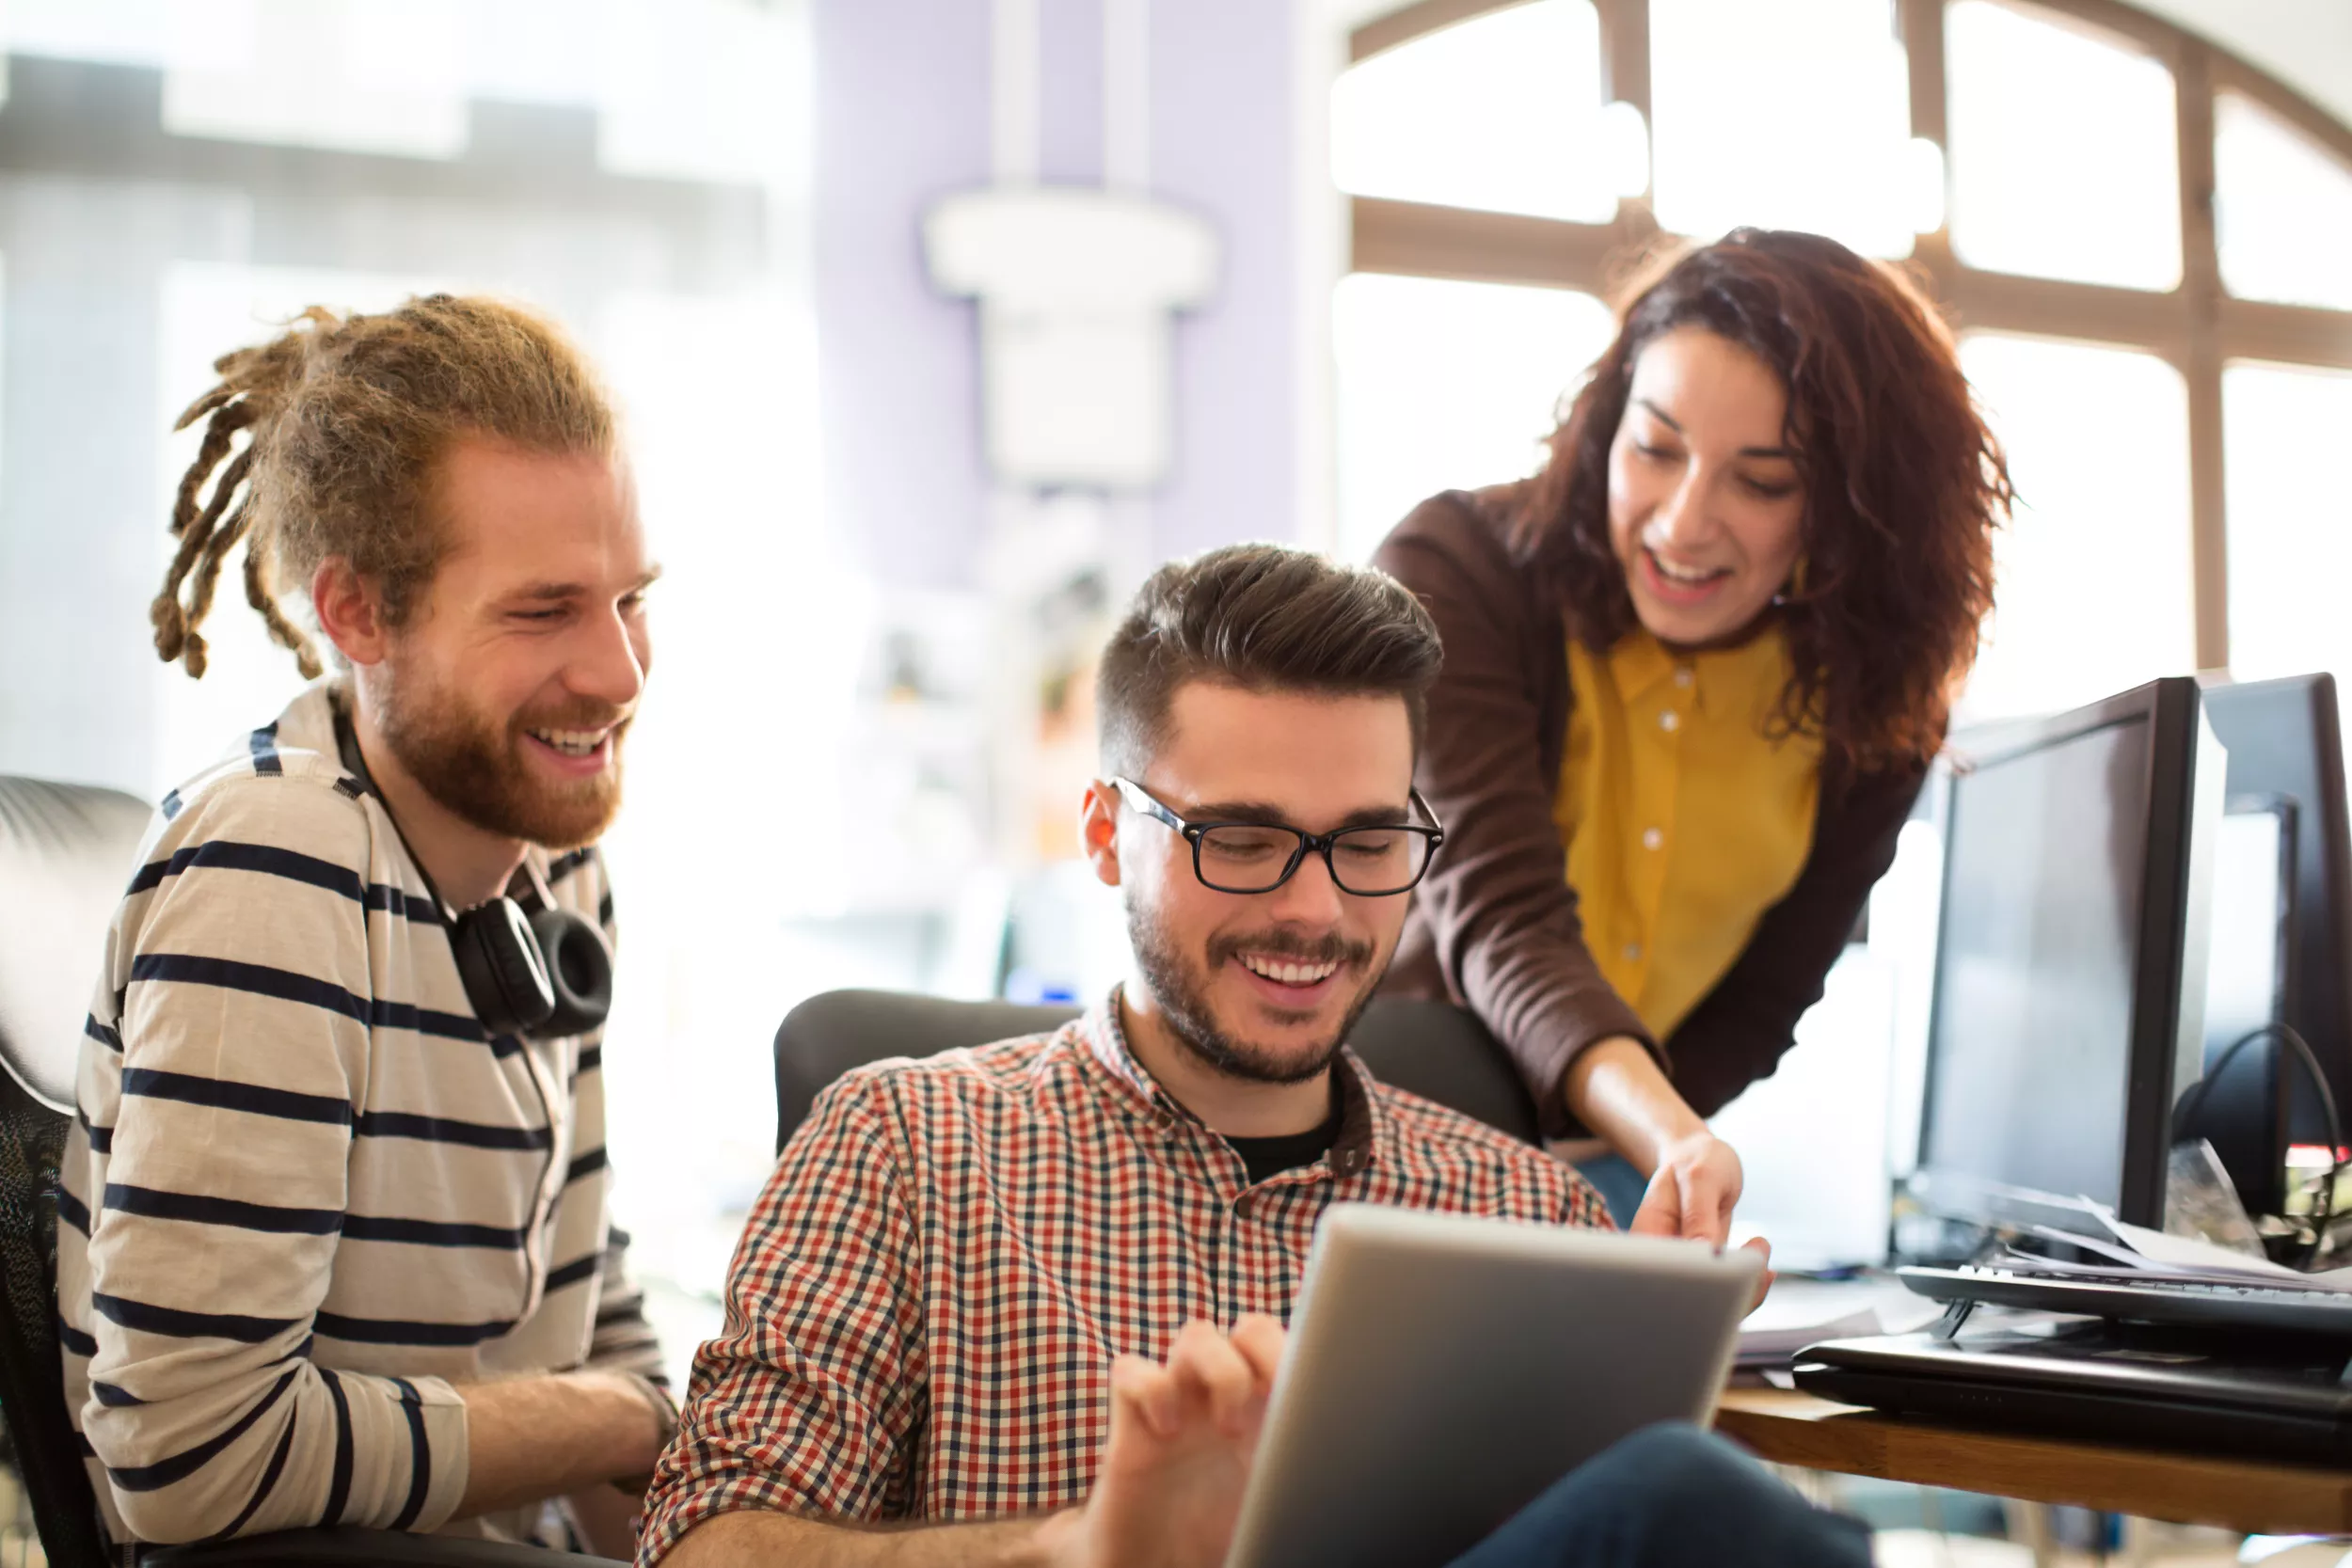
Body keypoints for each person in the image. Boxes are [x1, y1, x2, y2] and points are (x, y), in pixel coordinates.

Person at [636, 545, 1868, 1568]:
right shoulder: (901, 1143)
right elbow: (701, 1542)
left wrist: (1641, 1367)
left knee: (1687, 1492)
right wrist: (1074, 1549)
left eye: (1367, 842)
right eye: (1239, 839)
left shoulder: (1529, 1212)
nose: (1314, 911)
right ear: (1107, 835)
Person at [57, 295, 674, 1549]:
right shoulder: (275, 867)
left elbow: (585, 1299)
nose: (618, 672)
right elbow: (188, 1457)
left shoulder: (555, 866)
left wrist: (721, 1506)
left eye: (630, 598)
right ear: (356, 614)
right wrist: (622, 1420)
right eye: (544, 609)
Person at [1375, 229, 2010, 1241]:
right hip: (1391, 1141)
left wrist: (1641, 1151)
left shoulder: (1874, 705)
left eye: (1761, 481)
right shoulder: (1456, 570)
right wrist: (1667, 1134)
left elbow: (1762, 1004)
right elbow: (1502, 920)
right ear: (1606, 425)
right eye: (1656, 448)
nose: (1680, 524)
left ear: (1855, 510)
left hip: (1619, 1169)